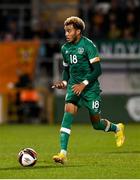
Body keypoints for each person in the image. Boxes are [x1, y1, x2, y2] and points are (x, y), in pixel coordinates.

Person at [52, 16, 125, 164]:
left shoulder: (88, 45)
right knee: (68, 113)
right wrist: (65, 82)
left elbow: (97, 70)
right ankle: (62, 153)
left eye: (69, 31)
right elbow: (66, 69)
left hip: (90, 89)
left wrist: (84, 84)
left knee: (96, 124)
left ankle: (117, 128)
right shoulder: (65, 48)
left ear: (78, 31)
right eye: (65, 31)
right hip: (74, 87)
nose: (66, 34)